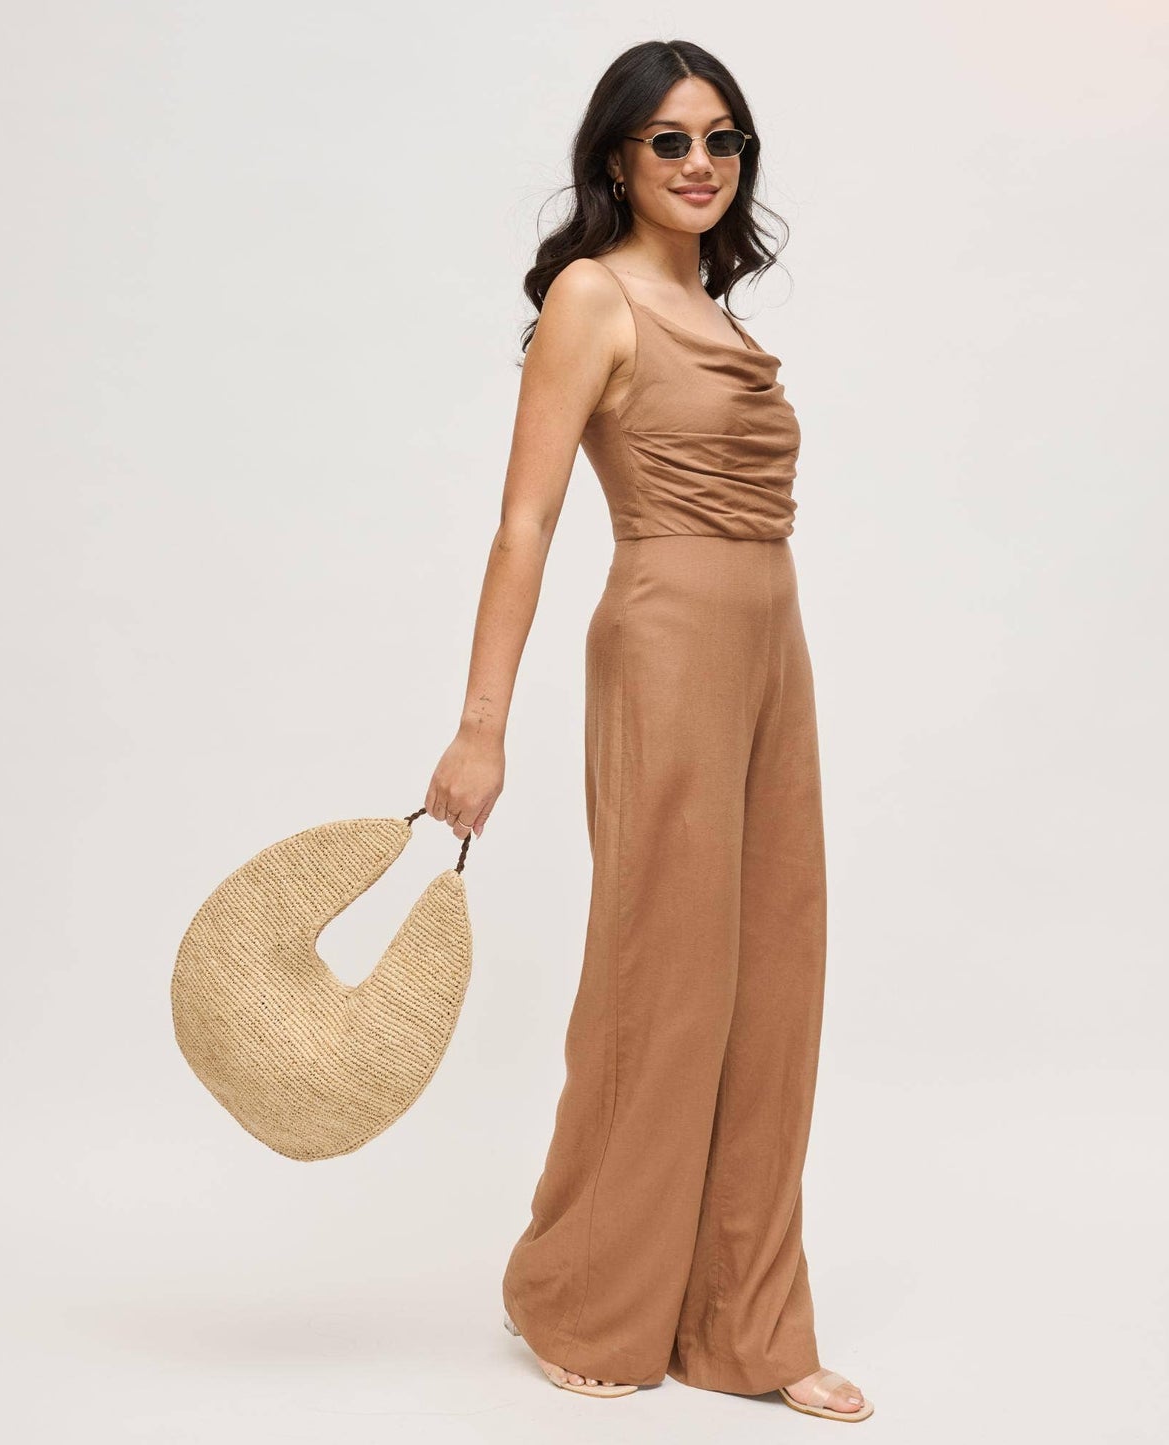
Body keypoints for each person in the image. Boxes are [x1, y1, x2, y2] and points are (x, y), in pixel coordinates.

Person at [422, 38, 873, 1424]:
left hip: (771, 650)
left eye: (721, 139)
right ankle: (583, 1291)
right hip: (666, 645)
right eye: (669, 139)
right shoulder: (593, 296)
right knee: (664, 973)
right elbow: (526, 520)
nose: (698, 162)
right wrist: (480, 728)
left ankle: (744, 1322)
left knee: (776, 978)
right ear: (617, 157)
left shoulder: (714, 311)